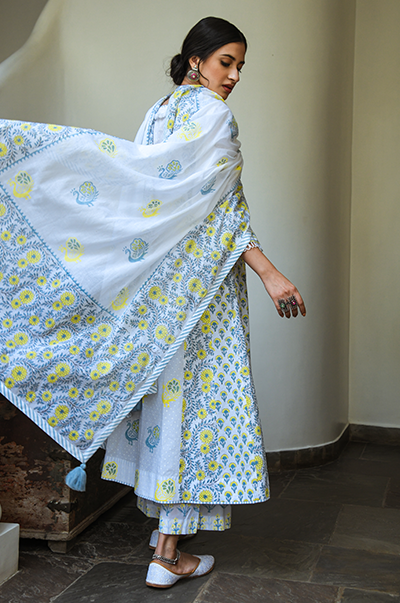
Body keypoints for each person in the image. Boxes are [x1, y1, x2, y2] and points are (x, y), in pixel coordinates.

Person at [100, 16, 306, 588]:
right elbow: (225, 210)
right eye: (225, 62)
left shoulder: (159, 111)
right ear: (196, 59)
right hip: (204, 289)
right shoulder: (213, 114)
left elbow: (143, 197)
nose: (234, 76)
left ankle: (163, 535)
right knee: (197, 408)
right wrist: (270, 275)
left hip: (162, 286)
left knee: (168, 404)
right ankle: (168, 555)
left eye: (240, 66)